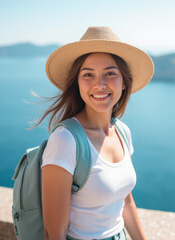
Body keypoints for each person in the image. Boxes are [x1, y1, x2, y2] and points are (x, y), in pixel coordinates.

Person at [36, 26, 154, 240]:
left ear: (124, 82)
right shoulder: (65, 140)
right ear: (77, 83)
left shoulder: (122, 132)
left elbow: (125, 202)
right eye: (88, 74)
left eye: (110, 73)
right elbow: (54, 233)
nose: (99, 84)